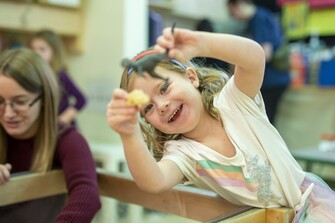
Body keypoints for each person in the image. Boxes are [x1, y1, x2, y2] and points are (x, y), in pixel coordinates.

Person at [106, 26, 335, 222]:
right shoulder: (184, 154)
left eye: (164, 88)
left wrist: (203, 42)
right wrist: (129, 135)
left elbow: (254, 57)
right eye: (148, 108)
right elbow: (153, 182)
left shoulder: (234, 102)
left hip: (313, 206)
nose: (162, 105)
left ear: (191, 77)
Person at [0, 48, 101, 223]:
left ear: (44, 100)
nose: (8, 113)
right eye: (0, 101)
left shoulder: (67, 139)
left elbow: (87, 195)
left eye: (20, 102)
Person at [226, 0, 290, 125]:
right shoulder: (257, 19)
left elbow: (266, 53)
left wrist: (241, 63)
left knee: (265, 122)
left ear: (238, 5)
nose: (234, 18)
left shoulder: (259, 19)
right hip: (272, 79)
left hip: (273, 80)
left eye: (232, 13)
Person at [29, 29, 87, 127]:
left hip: (62, 129)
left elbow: (81, 100)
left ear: (54, 52)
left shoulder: (60, 75)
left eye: (42, 49)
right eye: (33, 49)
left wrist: (61, 120)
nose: (36, 53)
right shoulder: (31, 75)